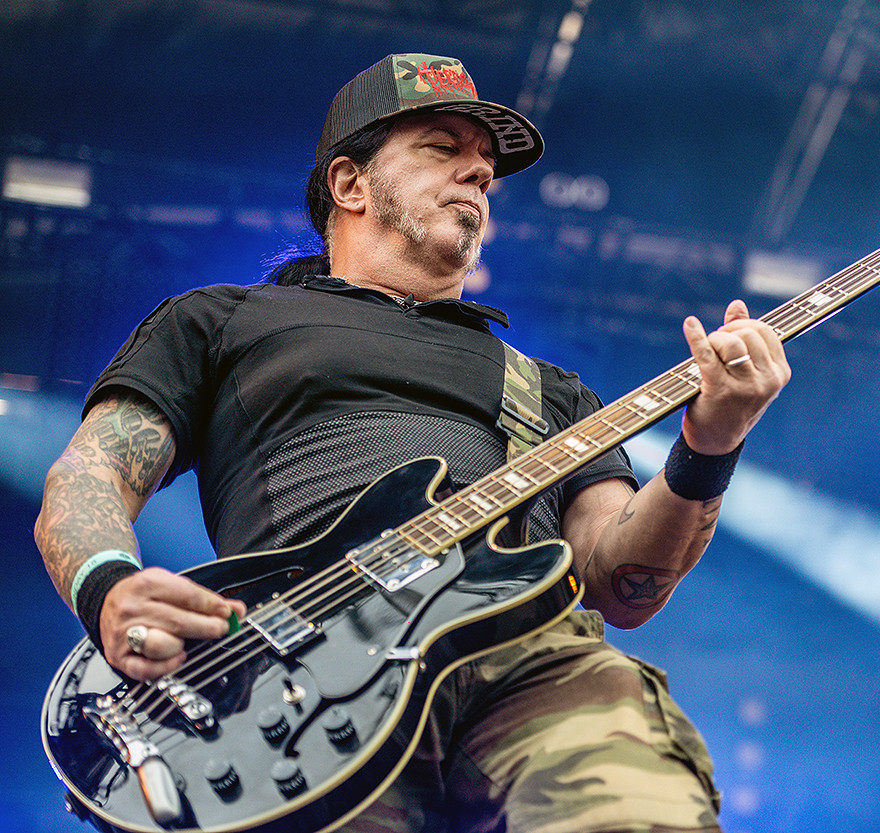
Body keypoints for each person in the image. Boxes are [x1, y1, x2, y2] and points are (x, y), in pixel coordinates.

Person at [35, 53, 790, 832]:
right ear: (349, 183)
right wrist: (108, 587)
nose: (479, 172)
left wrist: (712, 442)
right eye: (442, 147)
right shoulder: (223, 323)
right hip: (298, 682)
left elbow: (623, 581)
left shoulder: (550, 390)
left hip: (531, 664)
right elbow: (90, 474)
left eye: (486, 163)